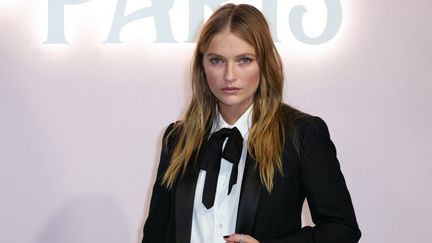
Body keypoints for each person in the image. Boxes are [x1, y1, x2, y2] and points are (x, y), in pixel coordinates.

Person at [142, 3, 361, 243]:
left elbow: (342, 228)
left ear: (264, 63)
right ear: (202, 67)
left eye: (244, 60)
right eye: (217, 60)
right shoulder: (177, 139)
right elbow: (155, 234)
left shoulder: (301, 135)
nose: (229, 75)